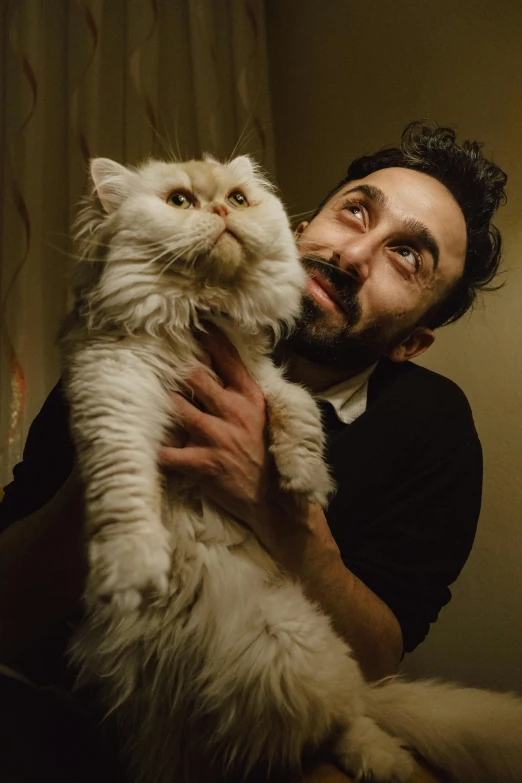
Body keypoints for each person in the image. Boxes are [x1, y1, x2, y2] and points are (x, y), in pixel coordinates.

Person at [0, 122, 507, 782]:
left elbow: (377, 654)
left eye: (407, 256)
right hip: (64, 703)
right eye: (356, 211)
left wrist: (274, 505)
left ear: (410, 343)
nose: (356, 253)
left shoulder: (432, 426)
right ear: (295, 229)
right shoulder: (138, 329)